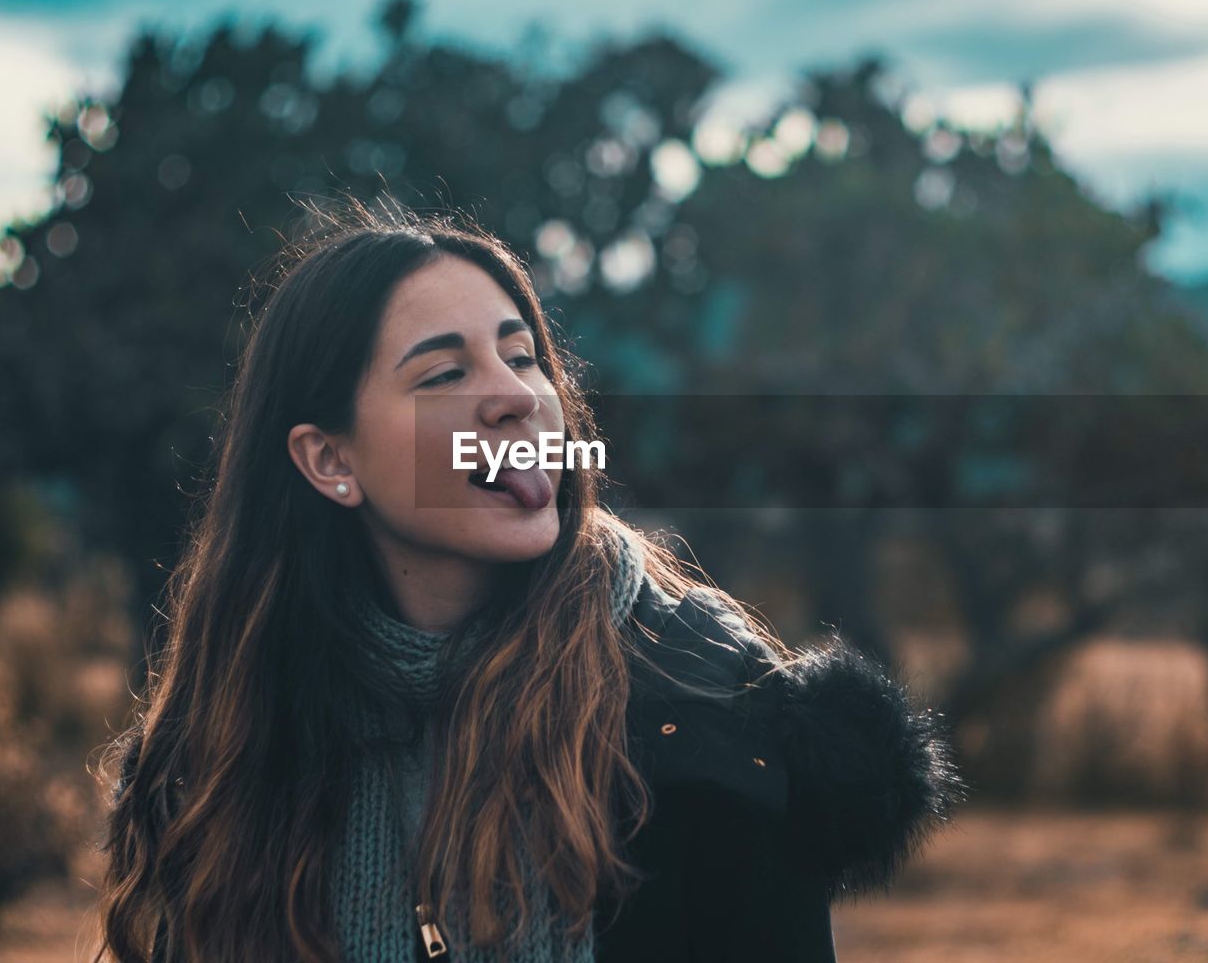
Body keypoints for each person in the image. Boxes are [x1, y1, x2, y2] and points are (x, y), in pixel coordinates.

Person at [95, 194, 967, 963]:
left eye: (523, 357)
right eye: (445, 374)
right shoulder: (218, 770)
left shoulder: (708, 720)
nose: (516, 395)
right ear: (330, 460)